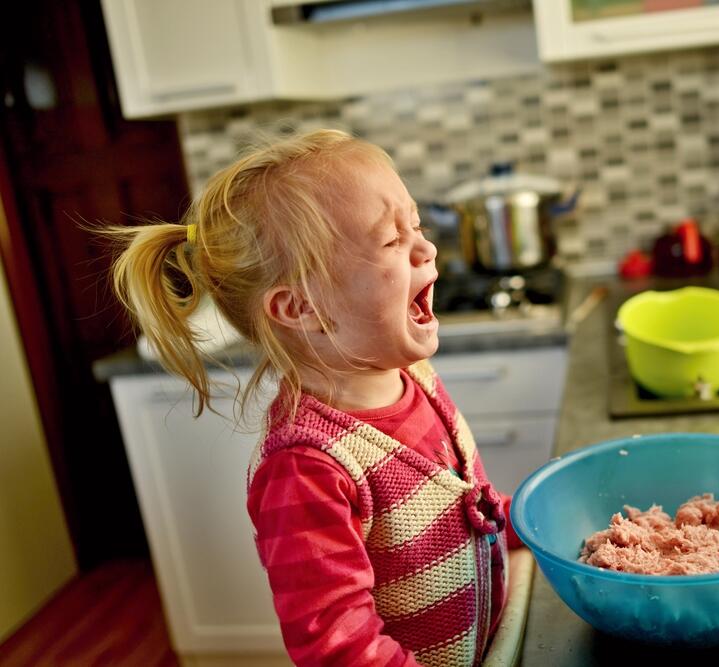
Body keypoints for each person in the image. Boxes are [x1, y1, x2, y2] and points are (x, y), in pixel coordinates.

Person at [107, 129, 522, 666]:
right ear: (301, 308)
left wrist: (538, 527)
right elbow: (339, 647)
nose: (426, 248)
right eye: (392, 241)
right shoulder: (306, 468)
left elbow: (472, 505)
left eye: (415, 225)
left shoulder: (415, 375)